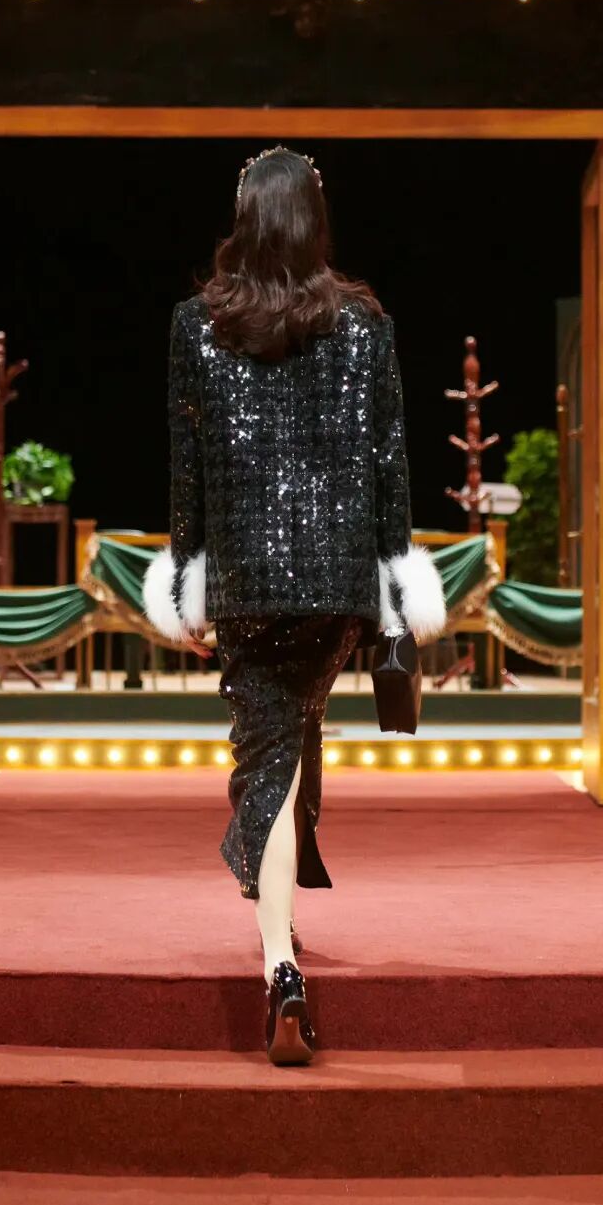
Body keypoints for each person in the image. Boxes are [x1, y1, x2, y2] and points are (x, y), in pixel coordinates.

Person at [144, 146, 446, 1065]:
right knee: (291, 729)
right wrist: (394, 582)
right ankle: (279, 893)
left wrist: (188, 578)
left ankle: (279, 962)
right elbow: (390, 463)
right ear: (316, 220)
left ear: (246, 219)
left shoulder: (197, 324)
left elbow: (188, 471)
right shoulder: (365, 325)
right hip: (337, 580)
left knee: (268, 751)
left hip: (247, 580)